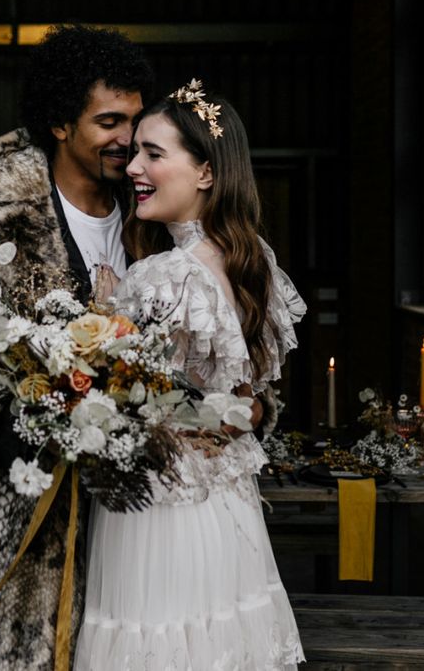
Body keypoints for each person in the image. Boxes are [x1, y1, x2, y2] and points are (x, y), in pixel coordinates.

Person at [0, 25, 153, 670]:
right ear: (59, 123)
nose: (125, 139)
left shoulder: (158, 218)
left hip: (140, 514)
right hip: (21, 512)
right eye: (108, 120)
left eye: (134, 120)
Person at [74, 80, 307, 670]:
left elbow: (134, 398)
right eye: (134, 153)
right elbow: (244, 404)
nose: (133, 168)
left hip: (160, 508)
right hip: (228, 511)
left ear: (206, 172)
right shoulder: (254, 259)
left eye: (155, 153)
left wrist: (102, 321)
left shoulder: (163, 276)